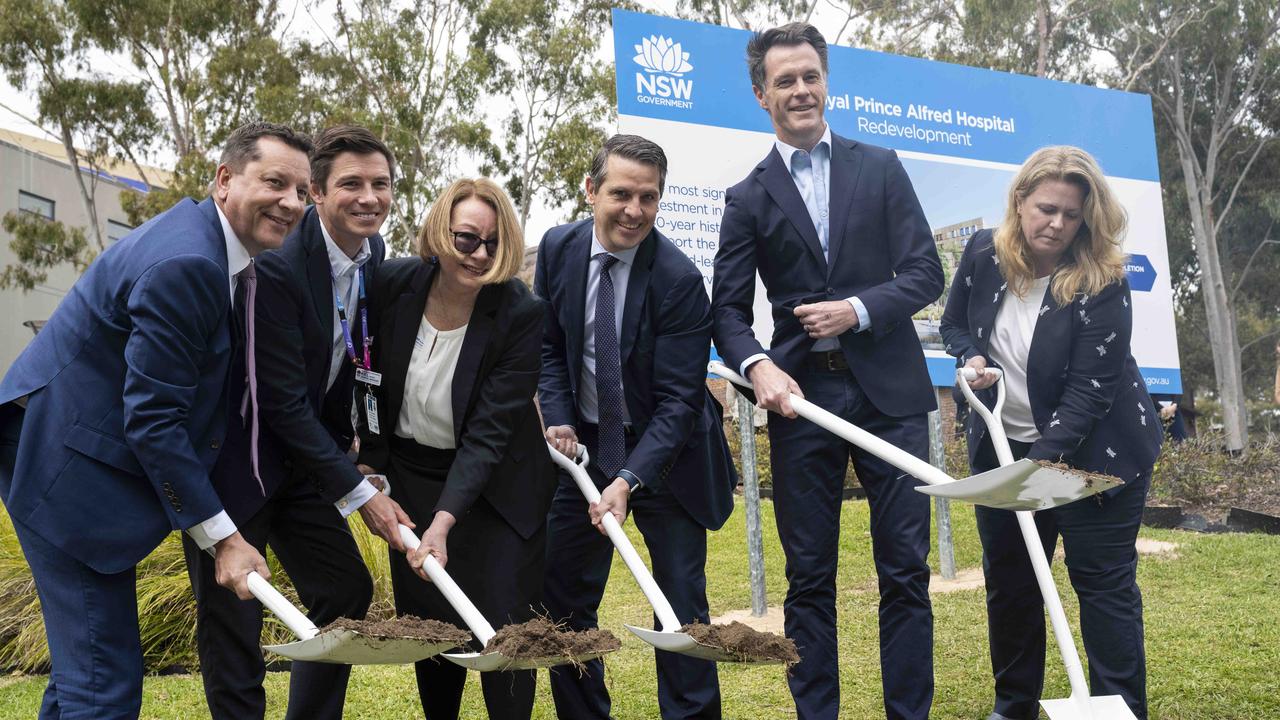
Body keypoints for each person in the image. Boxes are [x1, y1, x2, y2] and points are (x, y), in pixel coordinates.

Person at [0, 120, 308, 718]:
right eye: (275, 182)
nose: (291, 202)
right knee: (103, 686)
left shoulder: (220, 254)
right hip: (66, 469)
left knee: (83, 677)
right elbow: (154, 421)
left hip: (69, 453)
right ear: (224, 180)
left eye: (302, 190)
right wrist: (224, 538)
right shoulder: (188, 262)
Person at [711, 22, 944, 720]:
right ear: (762, 95)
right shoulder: (746, 197)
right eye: (785, 80)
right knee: (808, 577)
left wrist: (857, 309)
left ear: (826, 81)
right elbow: (725, 311)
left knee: (904, 570)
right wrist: (758, 370)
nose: (801, 90)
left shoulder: (881, 167)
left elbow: (926, 273)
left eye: (810, 75)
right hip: (800, 404)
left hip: (891, 397)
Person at [182, 125, 414, 719]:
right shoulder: (279, 263)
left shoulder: (373, 255)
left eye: (381, 184)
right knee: (234, 621)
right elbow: (280, 402)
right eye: (351, 185)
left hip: (301, 461)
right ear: (317, 192)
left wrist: (360, 456)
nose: (369, 198)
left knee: (343, 589)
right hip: (236, 460)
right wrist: (360, 495)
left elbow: (346, 365)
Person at [941, 145, 1163, 720]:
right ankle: (1014, 706)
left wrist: (1033, 470)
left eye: (1071, 215)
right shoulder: (983, 252)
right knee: (1012, 585)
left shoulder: (1102, 278)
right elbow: (955, 324)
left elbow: (1090, 393)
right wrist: (972, 359)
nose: (1057, 225)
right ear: (1020, 202)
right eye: (1045, 209)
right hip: (1004, 446)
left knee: (1102, 586)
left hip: (1097, 453)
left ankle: (1120, 708)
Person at [537, 134, 737, 720]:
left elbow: (679, 401)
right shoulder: (557, 248)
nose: (635, 210)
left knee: (679, 604)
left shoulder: (676, 278)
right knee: (565, 599)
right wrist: (558, 418)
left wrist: (627, 480)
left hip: (664, 459)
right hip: (584, 449)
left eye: (649, 198)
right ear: (591, 190)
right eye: (621, 194)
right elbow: (551, 350)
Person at [356, 178, 555, 719]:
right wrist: (369, 462)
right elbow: (365, 374)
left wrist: (444, 522)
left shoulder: (519, 311)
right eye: (467, 239)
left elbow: (489, 433)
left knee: (505, 640)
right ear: (440, 232)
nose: (480, 254)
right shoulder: (392, 284)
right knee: (435, 635)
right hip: (413, 480)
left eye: (493, 244)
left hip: (498, 493)